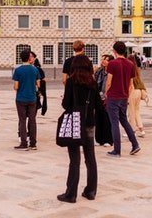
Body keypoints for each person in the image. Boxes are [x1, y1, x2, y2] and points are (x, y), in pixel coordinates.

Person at [57, 54, 102, 203]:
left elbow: (66, 104)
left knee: (74, 159)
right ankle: (90, 191)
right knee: (90, 158)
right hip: (89, 122)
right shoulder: (92, 82)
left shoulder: (71, 82)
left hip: (75, 123)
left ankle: (71, 194)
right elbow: (98, 105)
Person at [105, 41, 140, 157]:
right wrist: (126, 95)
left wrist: (106, 93)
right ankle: (135, 144)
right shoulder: (130, 64)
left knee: (114, 123)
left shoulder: (112, 64)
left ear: (114, 51)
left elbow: (109, 82)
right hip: (124, 96)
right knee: (124, 121)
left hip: (113, 96)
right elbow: (131, 84)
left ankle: (117, 150)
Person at [13, 49, 41, 150]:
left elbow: (16, 86)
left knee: (22, 120)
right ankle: (33, 143)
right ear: (29, 58)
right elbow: (38, 84)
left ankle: (23, 143)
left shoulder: (18, 70)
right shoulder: (35, 70)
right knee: (32, 120)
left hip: (21, 98)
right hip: (32, 98)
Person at [94, 54, 113, 146]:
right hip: (98, 96)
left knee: (107, 118)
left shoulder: (111, 72)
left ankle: (108, 139)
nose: (104, 61)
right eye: (103, 59)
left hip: (108, 97)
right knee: (98, 117)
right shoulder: (99, 71)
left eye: (106, 60)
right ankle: (98, 139)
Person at [127, 54, 148, 137]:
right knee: (136, 111)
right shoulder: (137, 69)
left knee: (131, 112)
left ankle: (133, 131)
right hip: (139, 91)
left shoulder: (129, 68)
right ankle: (141, 129)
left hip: (132, 91)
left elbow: (130, 83)